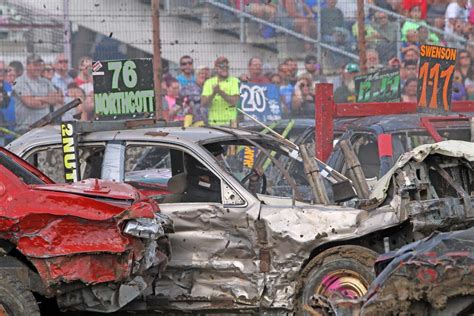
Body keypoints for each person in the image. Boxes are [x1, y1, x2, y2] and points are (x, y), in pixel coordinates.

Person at [13, 54, 63, 133]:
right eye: (35, 65)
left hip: (46, 126)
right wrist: (48, 101)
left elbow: (57, 99)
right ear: (28, 65)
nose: (38, 68)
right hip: (26, 128)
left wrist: (37, 98)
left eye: (40, 65)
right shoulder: (19, 81)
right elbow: (30, 102)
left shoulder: (45, 81)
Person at [201, 56, 240, 126]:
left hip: (231, 123)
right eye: (222, 66)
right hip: (214, 123)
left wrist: (220, 92)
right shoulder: (209, 82)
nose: (224, 68)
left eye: (226, 66)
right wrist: (213, 93)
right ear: (216, 68)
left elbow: (235, 101)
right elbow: (204, 104)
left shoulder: (235, 81)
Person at [0, 61, 15, 137]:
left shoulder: (9, 86)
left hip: (12, 128)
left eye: (4, 71)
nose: (2, 73)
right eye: (0, 70)